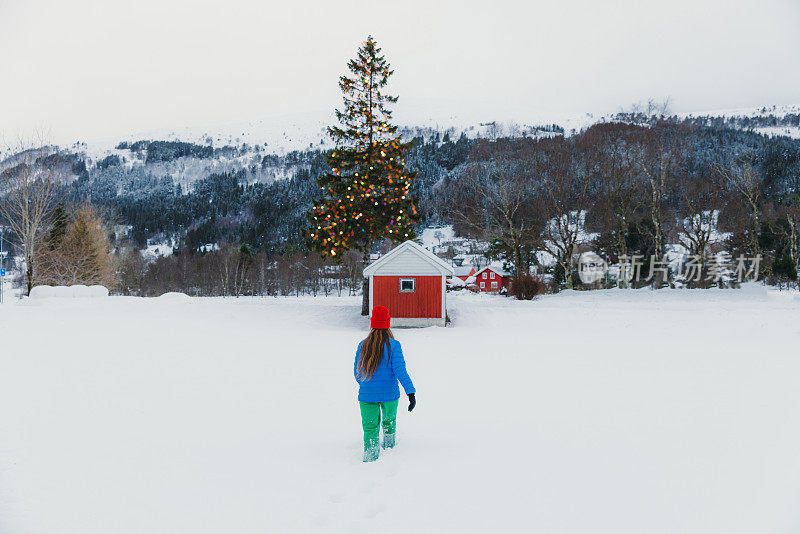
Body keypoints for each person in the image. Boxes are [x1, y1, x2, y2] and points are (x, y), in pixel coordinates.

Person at [354, 306, 416, 462]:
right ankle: (389, 451)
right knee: (389, 422)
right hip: (390, 395)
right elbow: (401, 371)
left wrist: (366, 385)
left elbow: (357, 372)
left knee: (370, 428)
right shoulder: (394, 345)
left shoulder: (363, 345)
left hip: (367, 396)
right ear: (387, 324)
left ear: (372, 323)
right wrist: (410, 393)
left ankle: (370, 457)